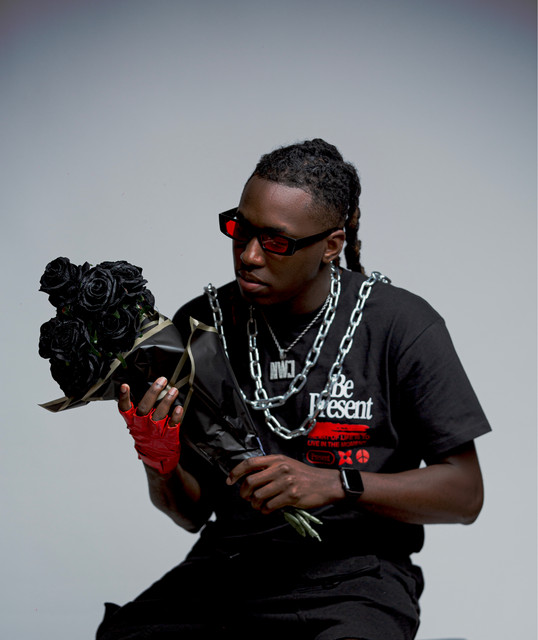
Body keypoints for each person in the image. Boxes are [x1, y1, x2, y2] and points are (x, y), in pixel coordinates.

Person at [96, 139, 491, 640]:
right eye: (240, 229)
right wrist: (159, 461)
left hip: (356, 578)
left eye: (276, 242)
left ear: (331, 245)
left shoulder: (400, 324)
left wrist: (337, 483)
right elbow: (191, 514)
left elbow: (465, 494)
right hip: (231, 568)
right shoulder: (200, 326)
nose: (249, 256)